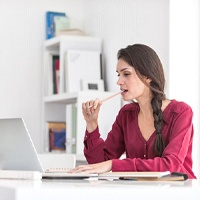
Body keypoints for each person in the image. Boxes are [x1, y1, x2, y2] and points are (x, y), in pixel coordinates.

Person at [69, 44, 196, 179]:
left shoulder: (180, 113)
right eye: (119, 75)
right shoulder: (126, 115)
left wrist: (114, 165)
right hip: (138, 193)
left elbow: (171, 165)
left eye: (126, 74)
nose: (119, 81)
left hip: (177, 194)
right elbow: (99, 164)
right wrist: (91, 124)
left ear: (148, 76)